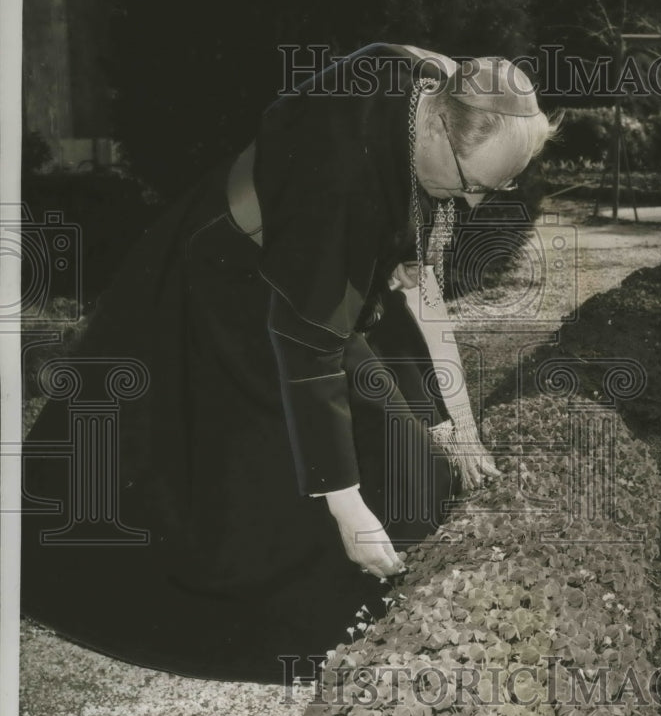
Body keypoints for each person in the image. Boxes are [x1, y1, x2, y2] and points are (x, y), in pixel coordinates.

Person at [21, 43, 555, 682]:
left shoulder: (440, 90)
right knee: (272, 491)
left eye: (496, 191)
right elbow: (309, 345)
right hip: (226, 284)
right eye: (472, 187)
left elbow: (414, 289)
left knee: (415, 462)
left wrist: (454, 426)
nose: (470, 206)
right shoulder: (340, 172)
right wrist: (347, 508)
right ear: (444, 125)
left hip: (307, 280)